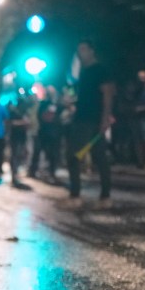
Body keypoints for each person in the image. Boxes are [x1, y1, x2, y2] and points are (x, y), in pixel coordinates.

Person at [64, 40, 115, 208]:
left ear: (92, 51)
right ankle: (104, 196)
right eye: (78, 50)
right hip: (83, 118)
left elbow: (108, 95)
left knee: (77, 156)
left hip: (90, 120)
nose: (80, 53)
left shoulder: (100, 70)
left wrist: (105, 119)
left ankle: (78, 195)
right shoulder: (84, 73)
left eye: (84, 49)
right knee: (98, 158)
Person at [30, 85, 62, 183]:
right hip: (44, 132)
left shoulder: (56, 105)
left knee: (52, 154)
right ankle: (33, 171)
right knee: (38, 152)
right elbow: (40, 117)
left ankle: (51, 172)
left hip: (53, 133)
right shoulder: (44, 104)